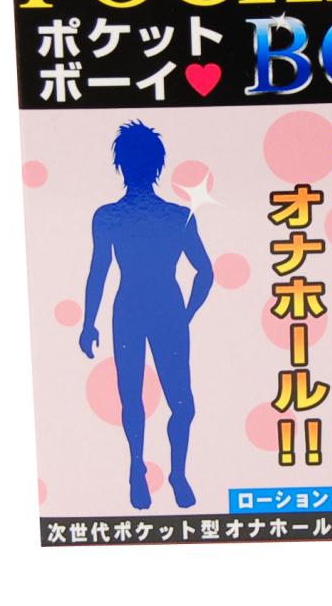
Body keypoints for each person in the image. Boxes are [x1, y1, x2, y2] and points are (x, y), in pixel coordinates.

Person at [78, 121, 213, 509]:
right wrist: (186, 312)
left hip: (142, 310)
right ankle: (141, 468)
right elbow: (204, 273)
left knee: (161, 401)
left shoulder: (125, 216)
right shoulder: (164, 216)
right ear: (157, 166)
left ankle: (173, 473)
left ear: (122, 165)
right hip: (154, 309)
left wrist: (89, 324)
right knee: (154, 400)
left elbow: (100, 273)